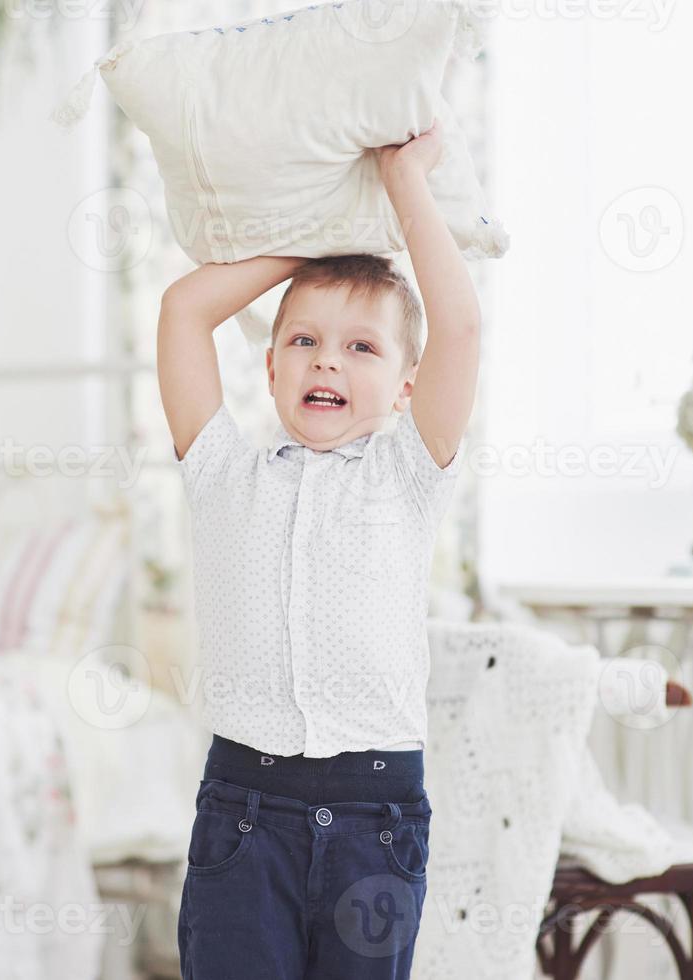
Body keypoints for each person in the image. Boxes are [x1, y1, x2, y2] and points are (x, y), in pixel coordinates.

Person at [157, 124, 481, 979]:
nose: (325, 359)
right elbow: (183, 311)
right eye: (303, 340)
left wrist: (398, 184)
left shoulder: (411, 473)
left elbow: (461, 325)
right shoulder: (224, 474)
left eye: (360, 346)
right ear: (268, 368)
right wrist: (322, 232)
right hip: (244, 812)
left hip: (376, 811)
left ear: (406, 386)